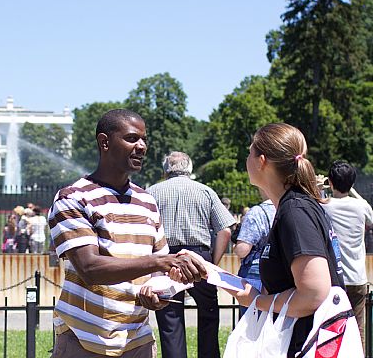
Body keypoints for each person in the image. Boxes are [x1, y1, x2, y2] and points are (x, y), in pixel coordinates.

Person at [48, 109, 207, 358]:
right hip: (84, 340)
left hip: (137, 341)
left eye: (144, 139)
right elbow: (89, 268)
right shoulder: (73, 197)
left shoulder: (146, 201)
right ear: (105, 142)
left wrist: (157, 293)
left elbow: (157, 273)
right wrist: (162, 262)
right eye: (132, 138)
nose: (142, 146)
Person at [229, 123, 345, 358]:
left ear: (261, 161)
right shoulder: (293, 207)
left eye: (249, 152)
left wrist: (258, 301)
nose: (246, 158)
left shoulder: (295, 211)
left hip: (307, 344)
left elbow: (313, 294)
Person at [147, 151, 235, 358]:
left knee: (169, 314)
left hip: (164, 257)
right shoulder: (205, 191)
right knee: (208, 312)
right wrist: (212, 262)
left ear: (165, 170)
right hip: (199, 257)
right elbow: (225, 230)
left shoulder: (151, 192)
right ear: (190, 169)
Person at [322, 161, 373, 347]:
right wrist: (352, 190)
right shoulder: (361, 207)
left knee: (331, 328)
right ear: (352, 183)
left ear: (331, 182)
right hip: (357, 277)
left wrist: (319, 187)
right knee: (358, 328)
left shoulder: (324, 206)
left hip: (333, 278)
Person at [233, 188, 276, 315]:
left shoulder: (257, 212)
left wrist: (236, 247)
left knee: (250, 323)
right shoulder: (289, 208)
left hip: (256, 271)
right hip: (281, 270)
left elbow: (242, 250)